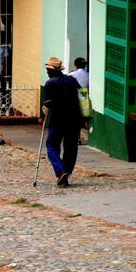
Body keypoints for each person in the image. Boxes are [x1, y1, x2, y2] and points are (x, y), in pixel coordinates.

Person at [42, 57, 84, 187]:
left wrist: (43, 119)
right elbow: (83, 96)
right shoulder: (72, 80)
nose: (47, 72)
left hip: (57, 120)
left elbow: (47, 106)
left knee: (51, 145)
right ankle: (66, 173)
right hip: (74, 119)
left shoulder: (50, 83)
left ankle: (60, 171)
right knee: (71, 148)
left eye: (48, 69)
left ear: (51, 70)